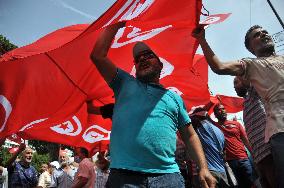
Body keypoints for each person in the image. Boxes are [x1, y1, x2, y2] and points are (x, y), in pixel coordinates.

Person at [89, 21, 215, 188]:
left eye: (148, 56)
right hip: (124, 178)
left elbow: (190, 135)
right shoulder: (124, 83)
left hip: (168, 177)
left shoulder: (174, 98)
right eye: (138, 59)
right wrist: (114, 24)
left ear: (161, 65)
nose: (142, 60)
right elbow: (97, 55)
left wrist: (203, 168)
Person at [193, 24, 284, 187]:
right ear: (250, 48)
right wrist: (202, 40)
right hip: (280, 132)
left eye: (265, 32)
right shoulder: (251, 65)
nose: (264, 34)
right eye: (257, 34)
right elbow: (219, 66)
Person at [234, 76, 275, 188]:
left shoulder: (253, 95)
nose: (234, 87)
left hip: (267, 150)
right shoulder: (245, 104)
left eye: (236, 83)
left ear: (245, 81)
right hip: (258, 156)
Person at [212, 104, 254, 188]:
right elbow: (204, 115)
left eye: (223, 109)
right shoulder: (215, 126)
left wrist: (254, 154)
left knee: (252, 182)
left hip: (244, 158)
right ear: (215, 114)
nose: (222, 111)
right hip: (230, 163)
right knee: (240, 185)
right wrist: (211, 102)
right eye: (219, 110)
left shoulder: (237, 124)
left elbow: (246, 140)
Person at [190, 107, 229, 188]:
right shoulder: (219, 130)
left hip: (209, 173)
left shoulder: (200, 128)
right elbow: (224, 154)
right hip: (222, 172)